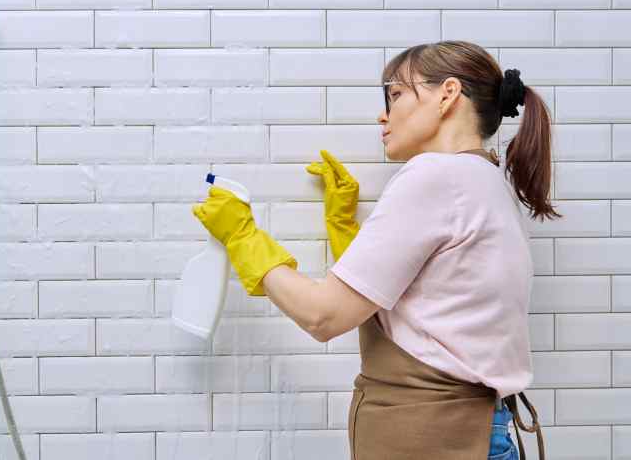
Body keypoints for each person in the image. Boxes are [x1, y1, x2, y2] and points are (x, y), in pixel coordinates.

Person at [191, 40, 557, 459]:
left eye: (396, 95)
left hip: (439, 439)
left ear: (448, 94)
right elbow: (416, 310)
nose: (383, 115)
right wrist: (345, 228)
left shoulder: (435, 176)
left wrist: (243, 238)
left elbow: (325, 316)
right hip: (472, 432)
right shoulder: (485, 180)